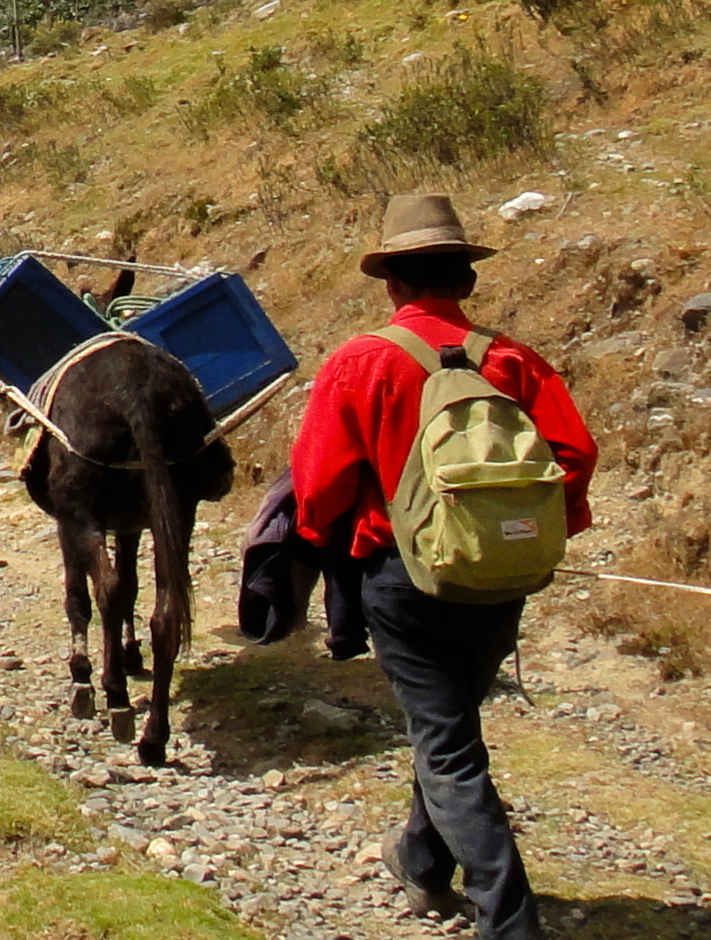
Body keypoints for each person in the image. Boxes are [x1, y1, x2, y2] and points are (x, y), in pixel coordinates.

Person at [288, 193, 596, 940]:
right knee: (449, 722)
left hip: (402, 576)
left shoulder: (360, 362)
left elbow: (318, 484)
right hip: (501, 576)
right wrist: (528, 534)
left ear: (392, 282)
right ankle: (422, 864)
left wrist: (319, 539)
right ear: (464, 280)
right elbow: (573, 457)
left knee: (446, 744)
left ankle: (508, 920)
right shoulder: (514, 360)